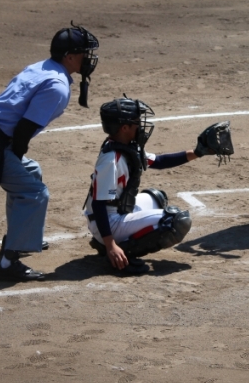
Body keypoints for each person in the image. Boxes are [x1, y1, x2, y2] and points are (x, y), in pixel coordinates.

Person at [0, 23, 99, 282]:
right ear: (70, 57)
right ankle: (8, 264)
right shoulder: (56, 86)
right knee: (34, 193)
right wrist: (13, 155)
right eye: (84, 53)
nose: (88, 58)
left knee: (31, 171)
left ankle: (17, 238)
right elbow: (23, 131)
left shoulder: (42, 67)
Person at [83, 97, 215, 275]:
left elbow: (159, 161)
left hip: (117, 211)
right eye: (136, 122)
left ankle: (108, 244)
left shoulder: (125, 147)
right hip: (108, 222)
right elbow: (98, 204)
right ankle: (120, 254)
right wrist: (110, 245)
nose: (140, 126)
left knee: (157, 197)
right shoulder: (111, 160)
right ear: (124, 128)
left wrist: (198, 152)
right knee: (176, 221)